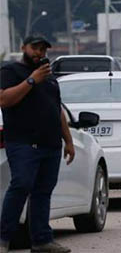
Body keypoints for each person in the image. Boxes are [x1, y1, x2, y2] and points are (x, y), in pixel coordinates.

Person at [0, 36, 74, 253]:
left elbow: (57, 110)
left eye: (42, 49)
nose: (39, 53)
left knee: (43, 191)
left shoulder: (50, 79)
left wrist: (68, 140)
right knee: (21, 185)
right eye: (35, 48)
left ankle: (42, 240)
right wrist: (31, 80)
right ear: (23, 47)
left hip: (50, 145)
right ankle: (3, 239)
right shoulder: (11, 72)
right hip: (23, 143)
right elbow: (4, 100)